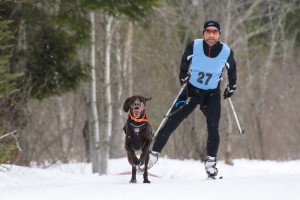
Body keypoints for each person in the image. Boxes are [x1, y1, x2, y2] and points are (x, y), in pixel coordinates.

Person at [147, 20, 237, 178]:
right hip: (191, 92)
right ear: (203, 33)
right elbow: (184, 62)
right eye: (208, 31)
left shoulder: (226, 51)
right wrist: (183, 77)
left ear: (219, 34)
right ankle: (152, 155)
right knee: (171, 121)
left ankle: (210, 164)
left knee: (213, 127)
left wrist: (231, 87)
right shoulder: (194, 46)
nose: (211, 35)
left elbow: (232, 71)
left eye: (214, 32)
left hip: (212, 94)